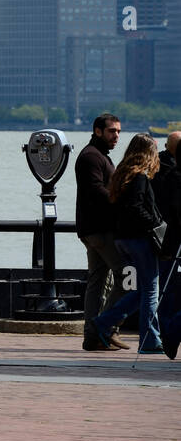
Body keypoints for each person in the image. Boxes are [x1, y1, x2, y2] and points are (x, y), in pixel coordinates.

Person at [92, 133, 165, 353]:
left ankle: (104, 321)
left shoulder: (122, 175)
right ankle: (149, 341)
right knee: (151, 290)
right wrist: (156, 223)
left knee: (142, 290)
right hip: (139, 239)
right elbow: (137, 208)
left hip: (122, 239)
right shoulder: (140, 176)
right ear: (148, 152)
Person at [75, 114, 128, 351]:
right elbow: (96, 190)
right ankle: (105, 327)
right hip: (100, 230)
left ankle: (93, 336)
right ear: (98, 131)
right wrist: (122, 201)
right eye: (111, 131)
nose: (116, 136)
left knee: (97, 282)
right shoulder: (90, 157)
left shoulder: (99, 156)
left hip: (93, 229)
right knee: (127, 277)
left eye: (118, 131)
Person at [152, 133, 181, 359]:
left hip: (170, 240)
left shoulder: (168, 173)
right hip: (174, 241)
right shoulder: (174, 177)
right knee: (165, 289)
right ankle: (170, 331)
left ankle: (169, 330)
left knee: (166, 289)